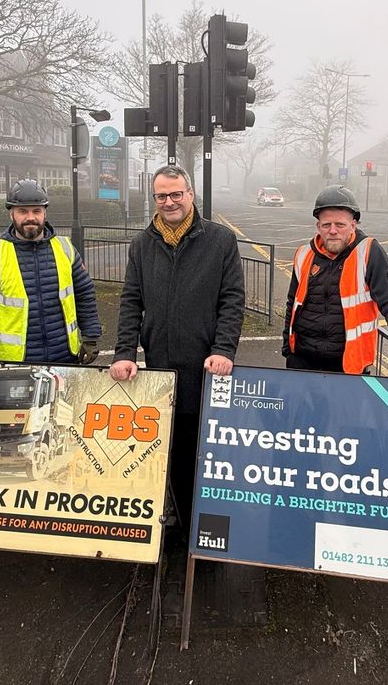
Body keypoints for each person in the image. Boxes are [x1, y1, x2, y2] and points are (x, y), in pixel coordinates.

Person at [109, 164, 245, 525]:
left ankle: (205, 530)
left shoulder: (220, 240)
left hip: (206, 370)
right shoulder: (142, 245)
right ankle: (178, 525)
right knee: (168, 455)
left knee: (204, 457)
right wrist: (124, 353)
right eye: (161, 196)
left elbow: (232, 300)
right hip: (159, 371)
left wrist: (224, 349)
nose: (168, 202)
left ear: (190, 195)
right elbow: (131, 301)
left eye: (175, 194)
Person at [283, 185, 388, 396]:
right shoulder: (303, 253)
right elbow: (292, 303)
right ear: (318, 226)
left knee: (344, 427)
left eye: (340, 224)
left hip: (347, 367)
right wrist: (287, 348)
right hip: (301, 364)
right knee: (300, 424)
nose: (333, 230)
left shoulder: (369, 251)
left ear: (353, 225)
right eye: (327, 224)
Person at [0, 179, 101, 373]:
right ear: (11, 214)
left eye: (36, 211)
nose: (30, 217)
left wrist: (90, 336)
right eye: (23, 211)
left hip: (65, 359)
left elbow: (84, 295)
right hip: (13, 365)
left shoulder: (66, 249)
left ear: (45, 213)